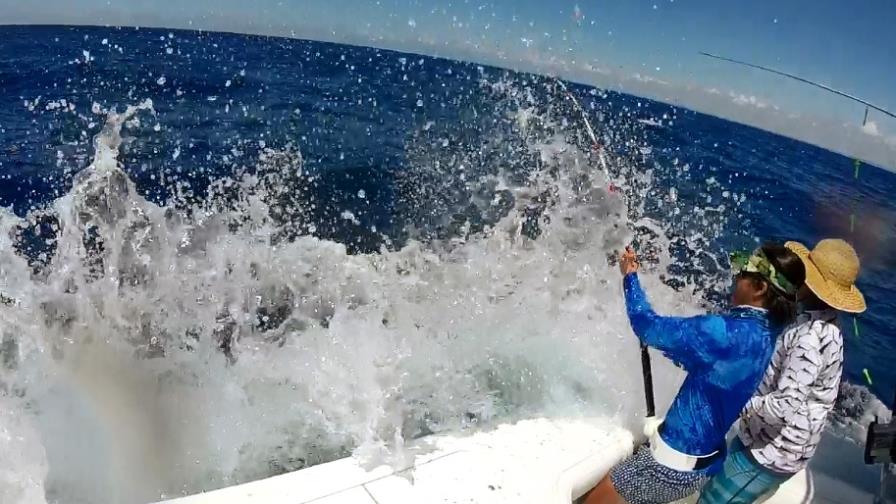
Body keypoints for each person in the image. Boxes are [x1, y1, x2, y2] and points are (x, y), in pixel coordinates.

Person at [583, 243, 805, 504]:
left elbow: (646, 326)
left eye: (743, 272)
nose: (736, 277)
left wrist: (630, 277)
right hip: (705, 466)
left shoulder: (721, 334)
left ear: (760, 288)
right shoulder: (771, 334)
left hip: (668, 468)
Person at [698, 239, 865, 504]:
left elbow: (783, 406)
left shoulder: (809, 339)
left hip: (769, 454)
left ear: (811, 284)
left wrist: (737, 401)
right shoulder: (826, 323)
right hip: (773, 444)